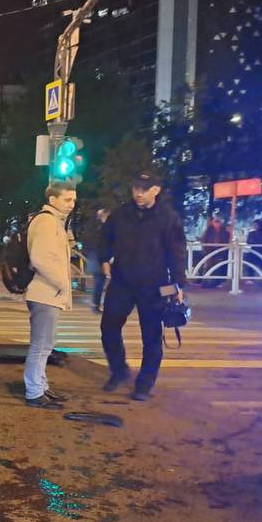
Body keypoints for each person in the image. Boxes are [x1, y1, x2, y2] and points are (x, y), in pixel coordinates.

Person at [97, 170, 187, 401]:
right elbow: (105, 237)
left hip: (154, 285)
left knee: (152, 336)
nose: (138, 193)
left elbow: (177, 251)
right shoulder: (121, 213)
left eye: (144, 189)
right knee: (108, 328)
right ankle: (119, 371)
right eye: (135, 188)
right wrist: (104, 259)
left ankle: (145, 383)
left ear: (156, 190)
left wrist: (178, 284)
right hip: (122, 282)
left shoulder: (168, 217)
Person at [22, 181, 77, 410]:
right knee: (40, 345)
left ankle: (41, 386)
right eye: (67, 199)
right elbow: (40, 258)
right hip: (45, 293)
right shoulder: (46, 221)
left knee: (46, 345)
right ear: (52, 200)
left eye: (74, 200)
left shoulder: (55, 222)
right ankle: (33, 392)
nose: (72, 204)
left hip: (50, 293)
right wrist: (63, 283)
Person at [82, 208, 110, 312]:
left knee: (99, 281)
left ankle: (96, 305)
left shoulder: (93, 227)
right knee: (99, 280)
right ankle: (97, 305)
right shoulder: (99, 228)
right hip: (97, 256)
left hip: (95, 256)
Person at [198, 216, 228, 288]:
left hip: (220, 251)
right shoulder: (208, 231)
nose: (217, 224)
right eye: (215, 222)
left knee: (218, 267)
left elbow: (226, 240)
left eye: (218, 222)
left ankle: (215, 283)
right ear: (212, 223)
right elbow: (203, 240)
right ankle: (204, 282)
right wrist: (205, 249)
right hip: (209, 250)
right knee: (207, 266)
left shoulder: (224, 232)